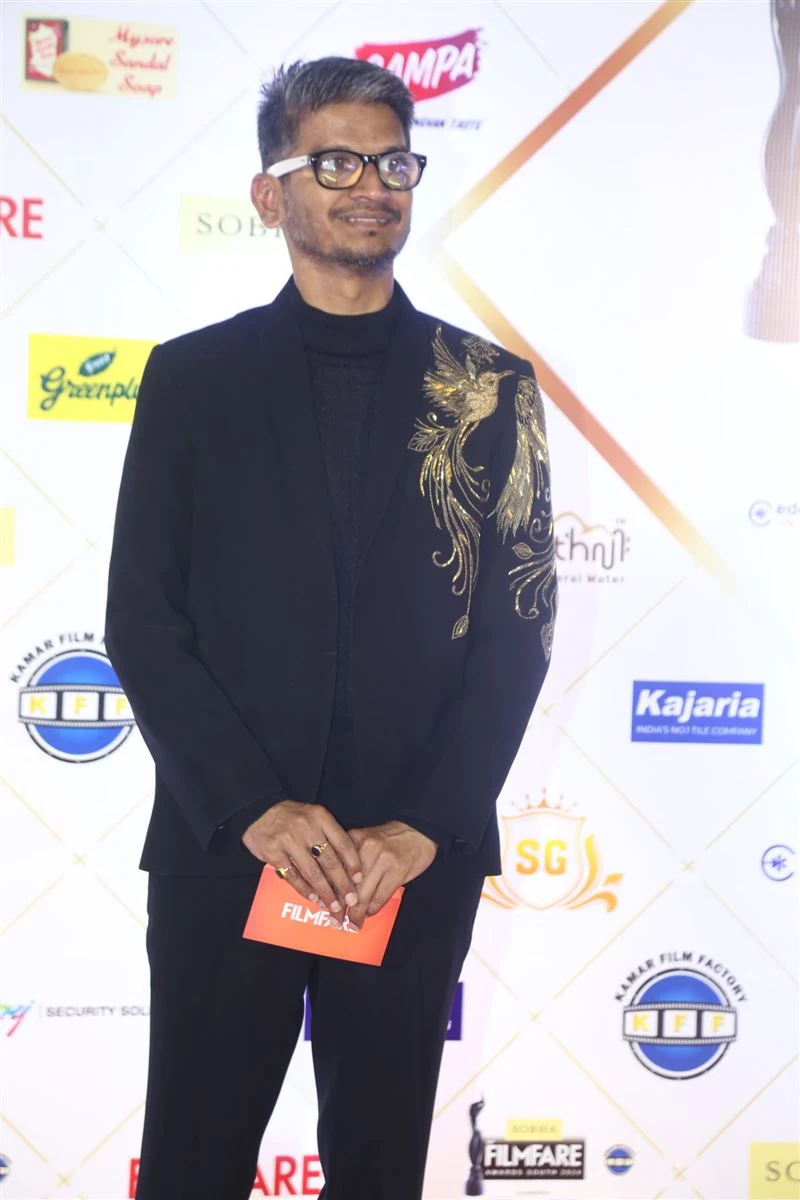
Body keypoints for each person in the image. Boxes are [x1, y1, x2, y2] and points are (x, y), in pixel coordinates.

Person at [105, 55, 557, 1200]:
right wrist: (252, 807)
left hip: (408, 857)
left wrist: (429, 825)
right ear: (271, 194)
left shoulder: (487, 386)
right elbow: (143, 621)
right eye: (338, 162)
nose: (371, 186)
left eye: (393, 163)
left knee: (377, 1168)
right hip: (231, 848)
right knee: (193, 1165)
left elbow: (516, 632)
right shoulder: (192, 380)